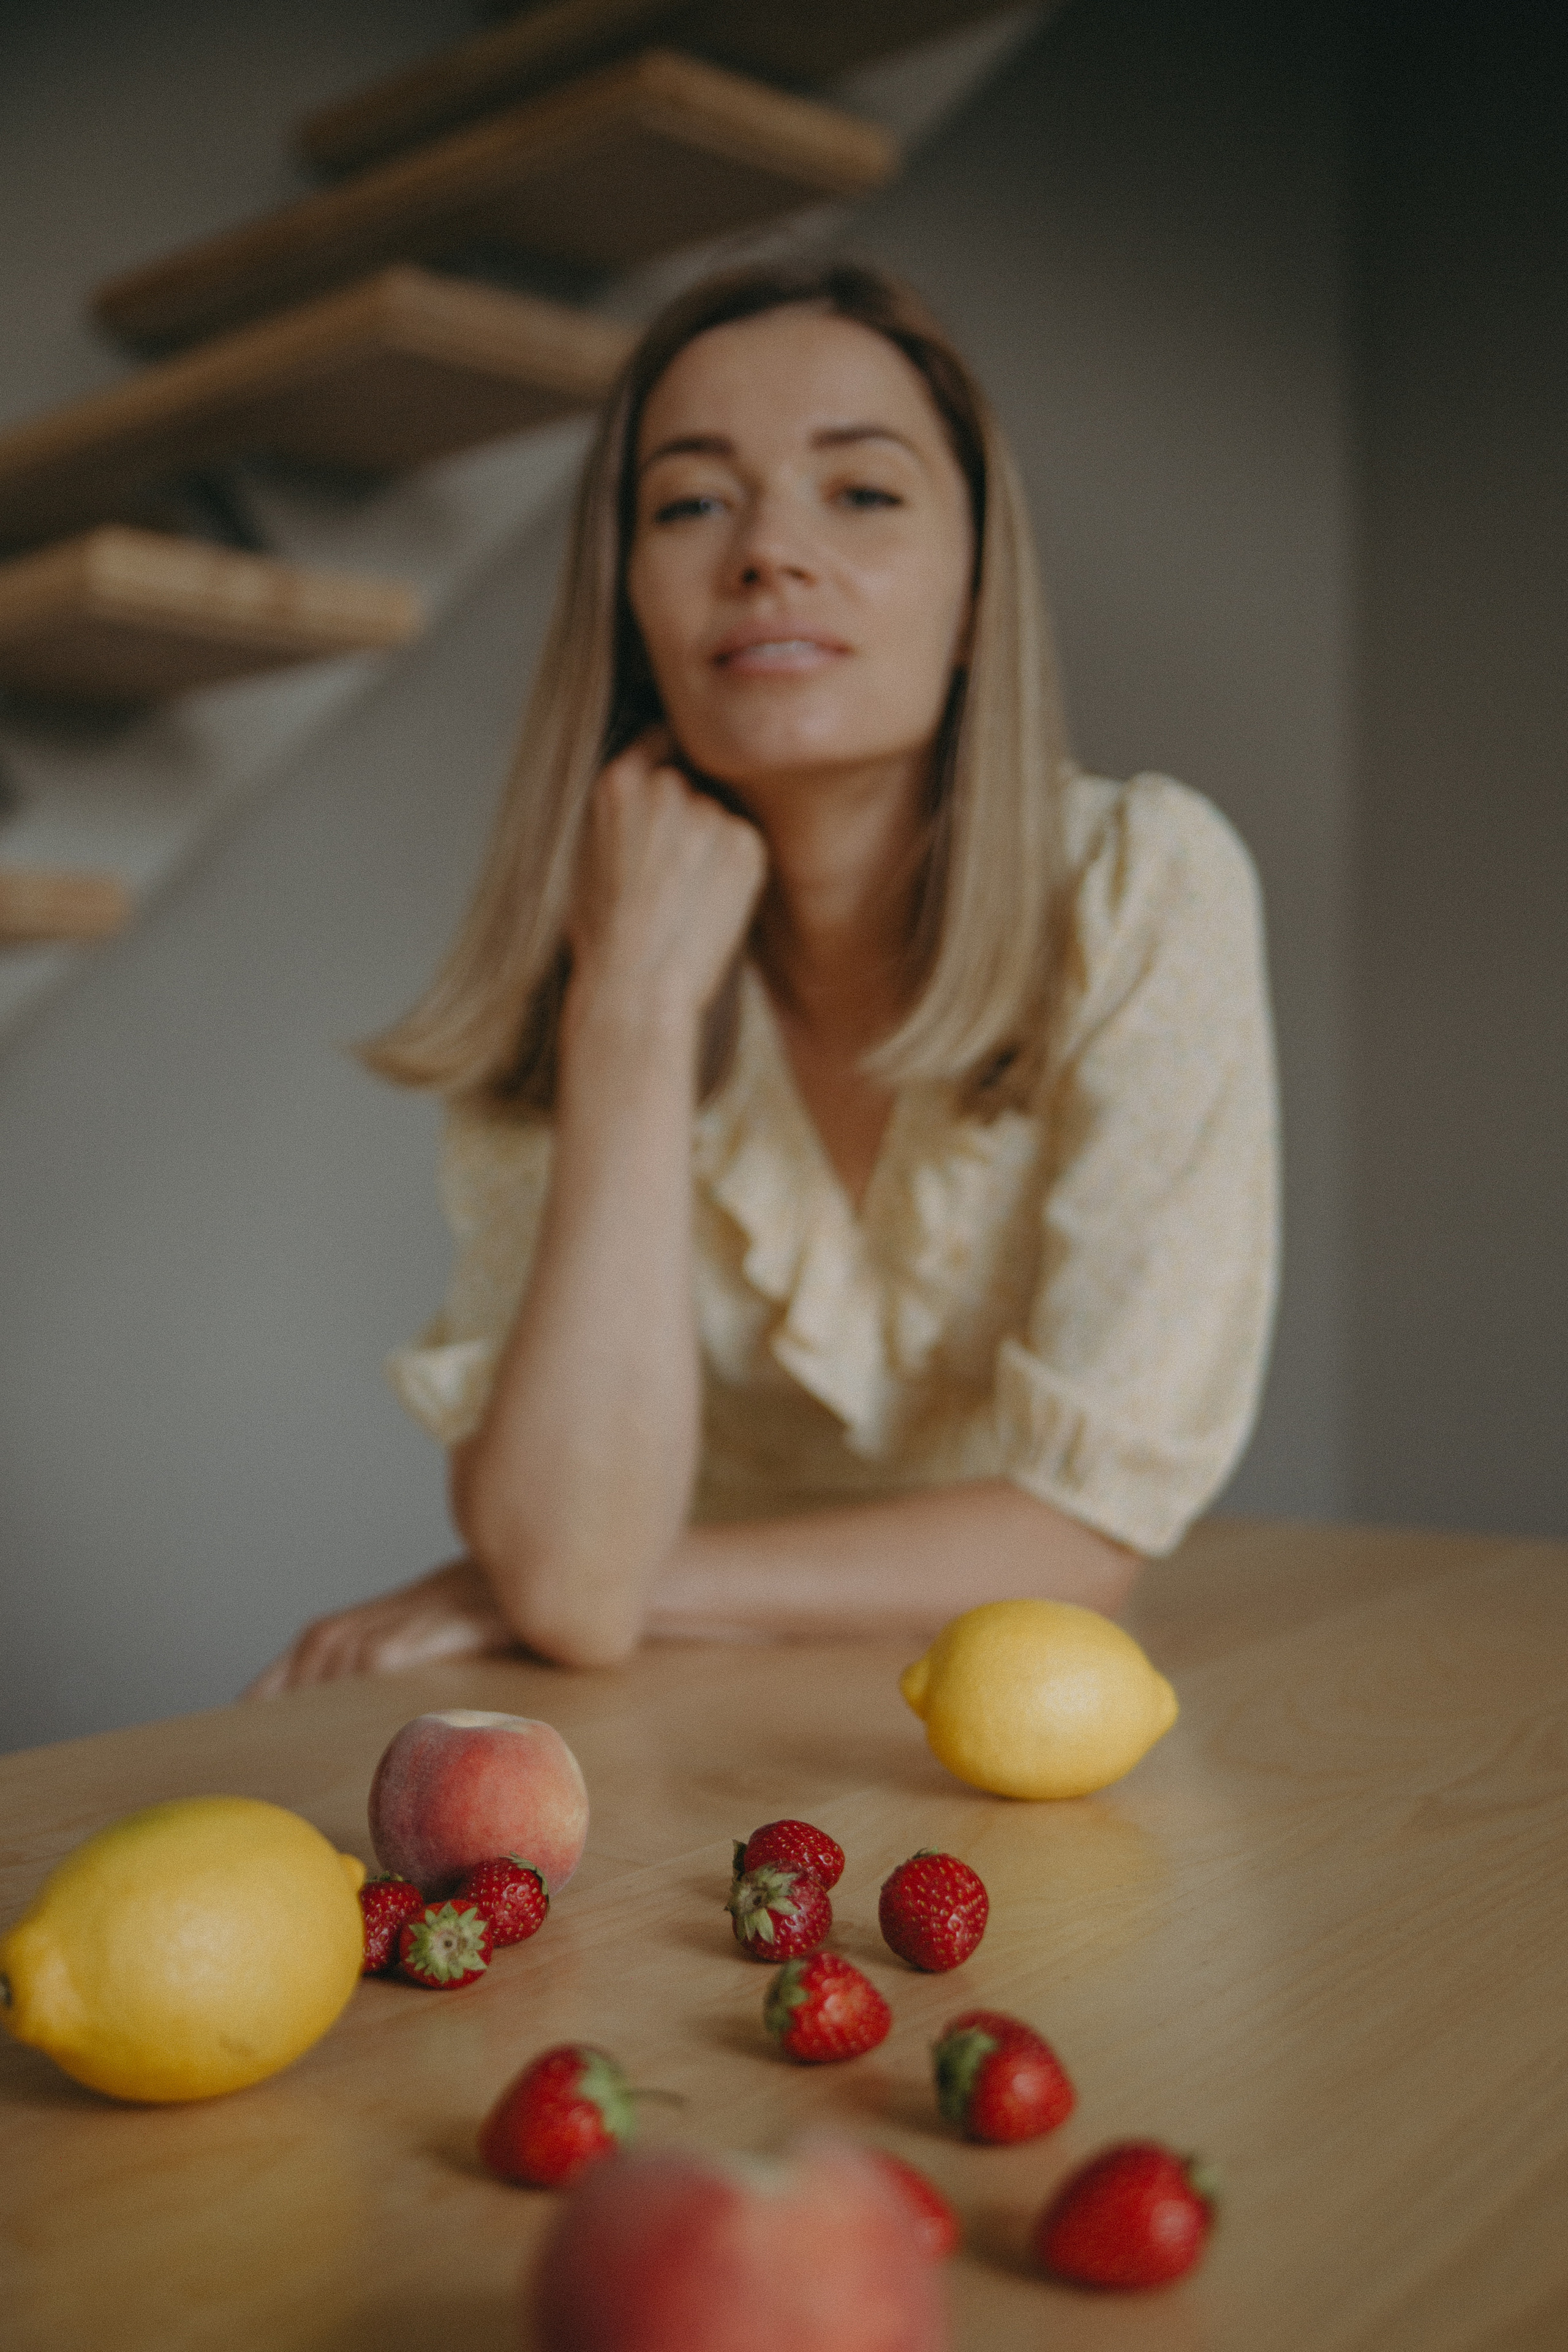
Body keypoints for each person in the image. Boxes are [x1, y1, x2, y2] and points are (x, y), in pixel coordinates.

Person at [247, 261, 1278, 1695]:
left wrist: (574, 1584)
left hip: (1013, 1713)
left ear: (977, 591)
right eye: (689, 502)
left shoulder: (1140, 886)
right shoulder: (577, 947)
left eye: (859, 492)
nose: (767, 554)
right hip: (659, 1717)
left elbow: (1083, 1533)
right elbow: (564, 1562)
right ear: (631, 611)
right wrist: (633, 1018)